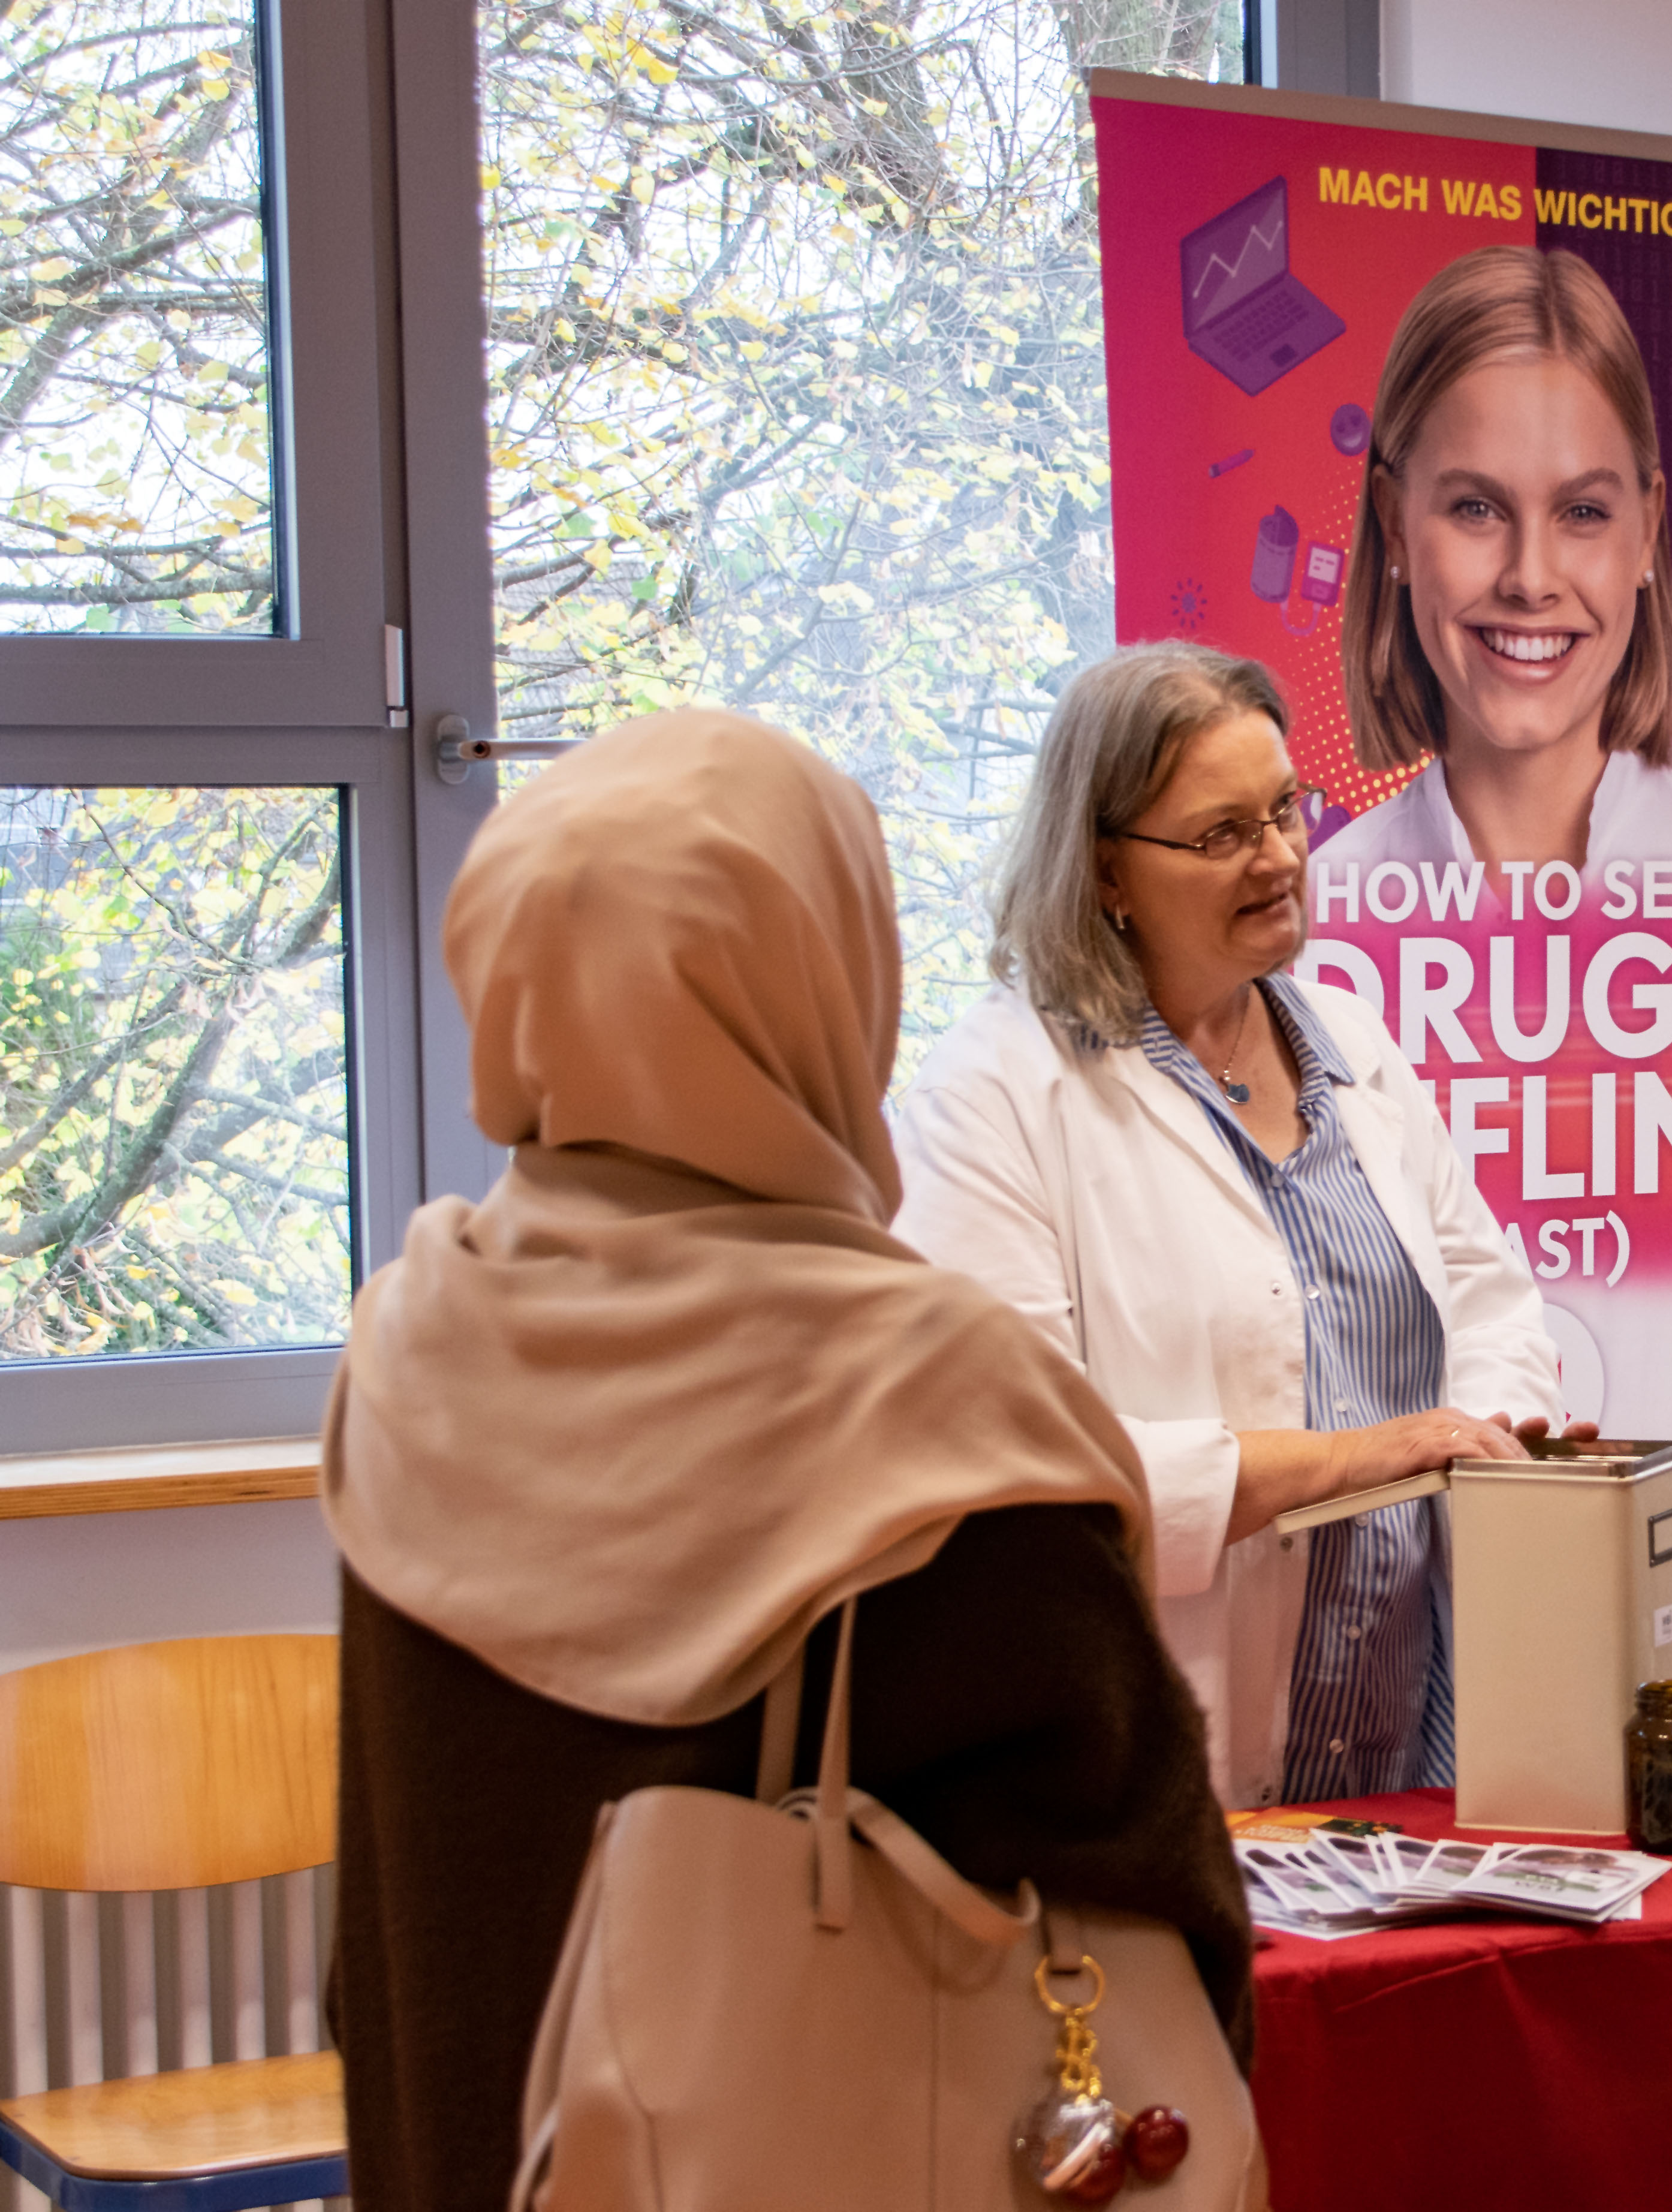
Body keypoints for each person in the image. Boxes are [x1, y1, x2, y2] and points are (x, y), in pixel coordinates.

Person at [325, 712, 1249, 2212]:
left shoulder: (414, 1346)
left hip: (470, 2151)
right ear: (827, 971)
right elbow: (1158, 1912)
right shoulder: (943, 1407)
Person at [892, 642, 1568, 1811]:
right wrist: (1373, 1453)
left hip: (1413, 1757)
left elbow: (1481, 1288)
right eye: (1220, 835)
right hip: (1160, 1771)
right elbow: (1024, 1472)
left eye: (1285, 811)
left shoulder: (1351, 1040)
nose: (1280, 859)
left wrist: (1492, 1433)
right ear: (1105, 868)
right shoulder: (993, 1092)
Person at [1312, 242, 1672, 1530]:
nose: (1530, 574)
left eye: (1581, 510)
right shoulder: (1313, 934)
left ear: (1646, 534)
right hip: (1417, 1623)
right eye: (1472, 507)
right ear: (1394, 529)